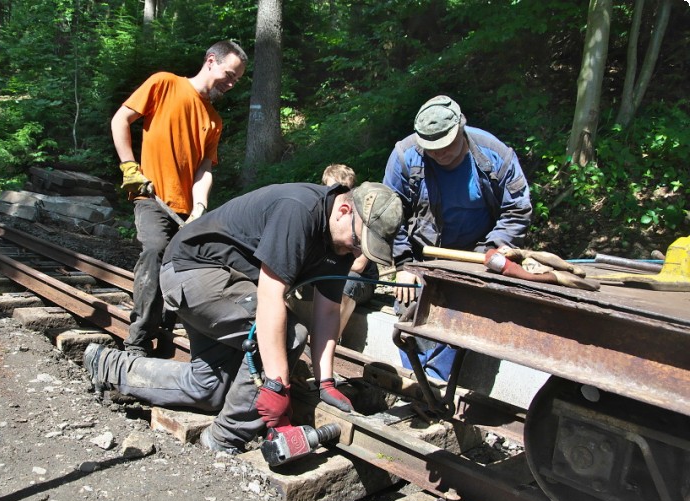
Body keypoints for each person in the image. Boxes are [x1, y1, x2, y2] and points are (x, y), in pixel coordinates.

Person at [84, 181, 403, 453]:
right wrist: (277, 386)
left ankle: (108, 365)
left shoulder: (339, 243)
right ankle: (222, 442)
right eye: (360, 242)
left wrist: (326, 380)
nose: (358, 252)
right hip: (193, 272)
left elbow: (328, 309)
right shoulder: (299, 210)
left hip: (223, 282)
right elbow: (270, 296)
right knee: (290, 335)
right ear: (345, 211)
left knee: (208, 390)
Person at [111, 40, 248, 356]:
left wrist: (200, 207)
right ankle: (137, 342)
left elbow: (203, 169)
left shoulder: (214, 119)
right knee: (156, 251)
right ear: (210, 61)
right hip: (151, 196)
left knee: (184, 266)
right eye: (229, 74)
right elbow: (121, 120)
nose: (230, 84)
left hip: (186, 211)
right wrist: (130, 166)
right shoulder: (164, 84)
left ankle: (169, 332)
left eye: (236, 80)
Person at [383, 95, 531, 380]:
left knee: (463, 309)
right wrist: (403, 265)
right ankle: (416, 379)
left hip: (478, 252)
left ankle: (437, 381)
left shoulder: (494, 154)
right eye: (432, 149)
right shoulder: (404, 156)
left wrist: (491, 251)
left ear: (461, 129)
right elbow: (390, 217)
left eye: (446, 147)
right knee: (408, 303)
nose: (439, 154)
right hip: (422, 253)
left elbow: (517, 209)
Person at [319, 164, 379, 339]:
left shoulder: (364, 218)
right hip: (330, 272)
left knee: (346, 284)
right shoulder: (322, 212)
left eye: (344, 190)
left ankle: (330, 340)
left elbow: (359, 265)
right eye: (332, 189)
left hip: (362, 280)